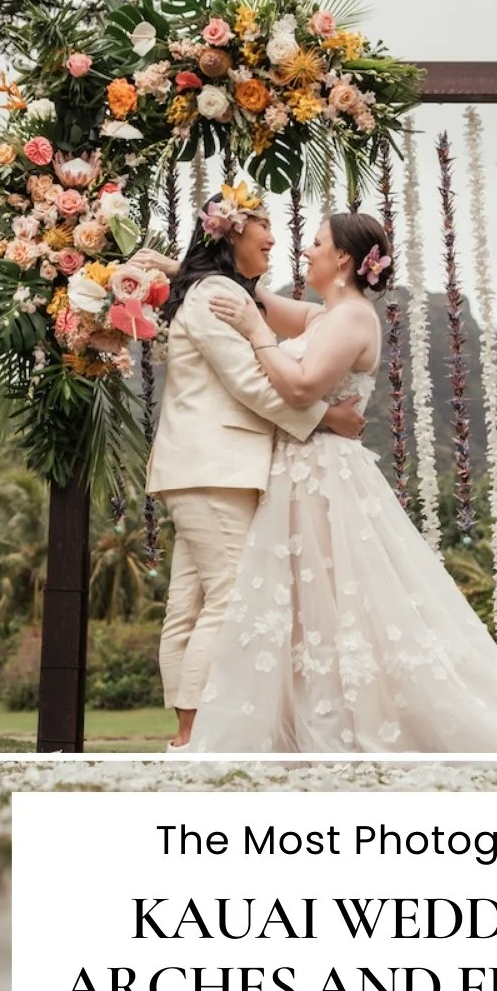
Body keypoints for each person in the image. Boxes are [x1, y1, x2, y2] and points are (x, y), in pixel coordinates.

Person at [186, 208, 497, 757]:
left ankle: (352, 723)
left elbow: (301, 387)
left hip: (321, 476)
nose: (305, 252)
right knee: (304, 606)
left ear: (342, 258)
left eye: (315, 243)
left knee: (341, 603)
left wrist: (252, 335)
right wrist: (183, 269)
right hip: (297, 473)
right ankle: (303, 723)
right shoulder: (323, 317)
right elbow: (255, 301)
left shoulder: (352, 318)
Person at [145, 183, 366, 750]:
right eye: (264, 224)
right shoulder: (213, 291)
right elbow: (248, 382)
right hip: (215, 466)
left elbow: (262, 311)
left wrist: (178, 269)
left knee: (190, 602)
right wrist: (325, 420)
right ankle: (193, 735)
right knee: (225, 598)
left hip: (202, 465)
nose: (276, 238)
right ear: (232, 231)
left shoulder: (213, 290)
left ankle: (183, 733)